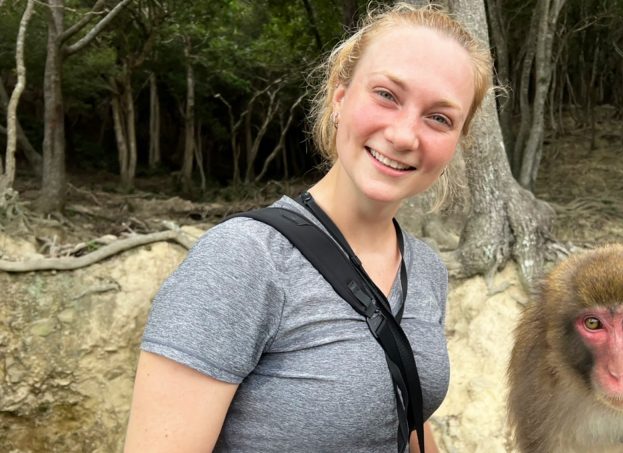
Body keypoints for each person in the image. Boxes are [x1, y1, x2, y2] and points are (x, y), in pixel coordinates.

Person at [123, 3, 493, 452]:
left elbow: (406, 414)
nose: (403, 135)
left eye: (439, 118)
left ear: (456, 141)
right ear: (340, 98)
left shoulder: (426, 269)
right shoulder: (244, 260)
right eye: (386, 95)